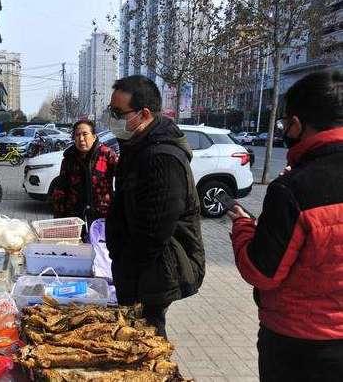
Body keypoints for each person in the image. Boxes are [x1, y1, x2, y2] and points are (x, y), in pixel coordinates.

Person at [228, 71, 343, 381]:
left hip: (299, 345)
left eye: (285, 124)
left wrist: (242, 227)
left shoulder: (293, 189)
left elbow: (261, 271)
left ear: (296, 124)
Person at [105, 75, 205, 338]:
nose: (113, 118)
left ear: (144, 113)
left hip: (154, 272)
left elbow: (154, 232)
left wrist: (128, 269)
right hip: (136, 268)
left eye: (118, 112)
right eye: (110, 110)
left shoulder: (162, 157)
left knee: (146, 339)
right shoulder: (136, 144)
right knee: (134, 334)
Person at [51, 119, 118, 229]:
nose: (81, 139)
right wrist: (58, 219)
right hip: (74, 218)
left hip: (101, 218)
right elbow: (61, 189)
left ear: (94, 136)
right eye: (77, 135)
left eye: (85, 134)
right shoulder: (69, 159)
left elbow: (124, 178)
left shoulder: (106, 154)